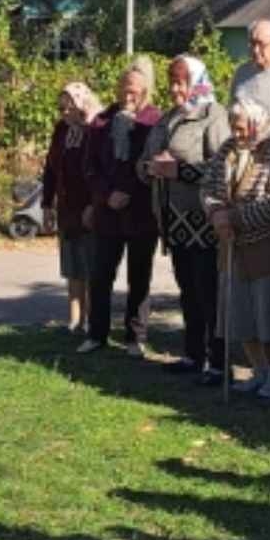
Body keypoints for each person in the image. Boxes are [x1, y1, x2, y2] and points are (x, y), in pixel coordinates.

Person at [205, 98, 270, 399]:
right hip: (233, 247)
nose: (236, 134)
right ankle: (259, 370)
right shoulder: (228, 149)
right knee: (242, 313)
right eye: (233, 128)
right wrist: (215, 214)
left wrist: (235, 217)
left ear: (256, 122)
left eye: (241, 128)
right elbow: (209, 186)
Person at [141, 55, 231, 384]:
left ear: (197, 81)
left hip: (205, 220)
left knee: (210, 293)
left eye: (181, 81)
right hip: (174, 220)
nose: (175, 89)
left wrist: (179, 170)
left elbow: (223, 168)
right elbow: (145, 162)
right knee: (188, 292)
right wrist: (150, 167)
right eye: (172, 82)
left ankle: (219, 363)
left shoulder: (213, 116)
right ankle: (194, 355)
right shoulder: (167, 120)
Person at [85, 61, 160, 355]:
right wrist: (106, 195)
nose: (128, 97)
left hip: (141, 213)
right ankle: (96, 334)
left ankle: (135, 337)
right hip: (107, 213)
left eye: (135, 92)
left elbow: (152, 163)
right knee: (101, 275)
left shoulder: (155, 121)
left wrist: (128, 191)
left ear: (145, 92)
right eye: (124, 90)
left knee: (139, 278)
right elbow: (90, 167)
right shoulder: (101, 122)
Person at [44, 82, 103, 340]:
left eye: (68, 108)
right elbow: (50, 168)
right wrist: (47, 204)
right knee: (71, 265)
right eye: (60, 109)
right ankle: (75, 319)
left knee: (90, 265)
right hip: (66, 207)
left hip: (89, 207)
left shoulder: (94, 130)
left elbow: (98, 170)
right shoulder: (60, 131)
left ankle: (92, 320)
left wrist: (94, 204)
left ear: (81, 105)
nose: (64, 113)